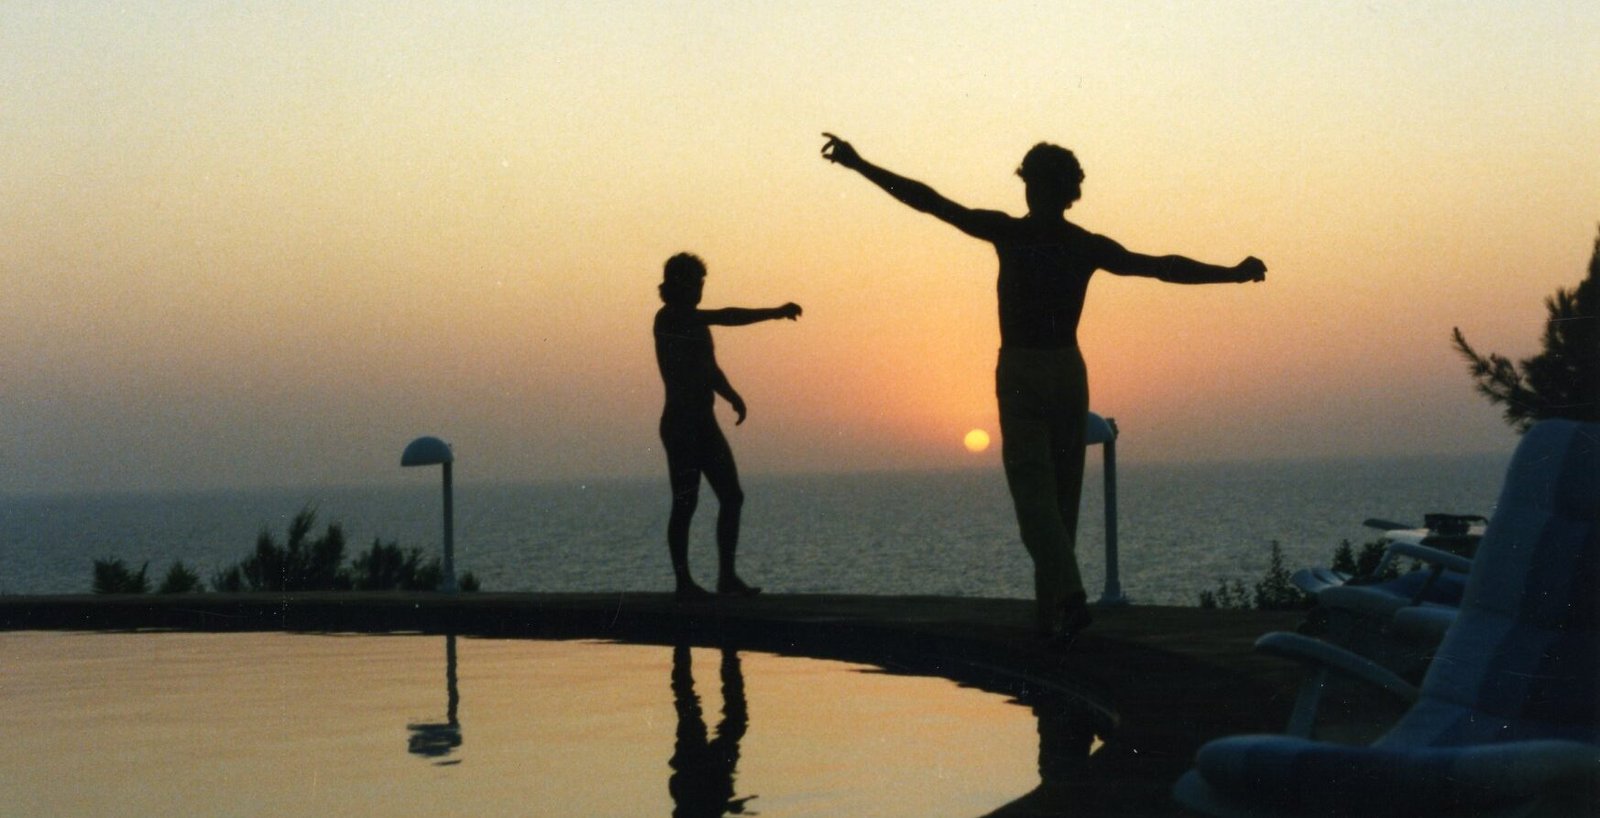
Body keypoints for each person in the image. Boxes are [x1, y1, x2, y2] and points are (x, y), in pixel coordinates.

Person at [821, 134, 1265, 644]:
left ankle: (1066, 597)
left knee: (1037, 497)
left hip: (1025, 372)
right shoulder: (1079, 245)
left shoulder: (1015, 234)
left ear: (1042, 189)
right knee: (1058, 499)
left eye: (1033, 182)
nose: (1030, 190)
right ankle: (1052, 611)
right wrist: (1230, 274)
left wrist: (859, 165)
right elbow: (1161, 266)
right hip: (1065, 373)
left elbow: (932, 202)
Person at [654, 252, 802, 601]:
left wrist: (730, 393)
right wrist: (775, 312)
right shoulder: (670, 317)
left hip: (704, 423)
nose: (700, 289)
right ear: (677, 283)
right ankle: (684, 582)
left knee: (731, 496)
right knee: (685, 502)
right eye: (694, 282)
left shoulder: (693, 322)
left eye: (702, 283)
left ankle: (726, 576)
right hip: (681, 425)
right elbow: (726, 316)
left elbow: (708, 366)